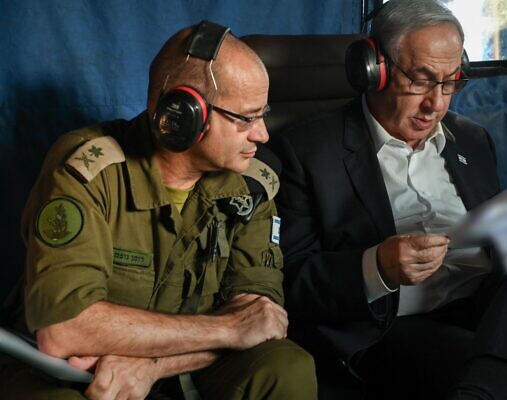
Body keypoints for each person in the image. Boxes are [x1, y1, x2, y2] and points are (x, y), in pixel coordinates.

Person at [267, 0, 507, 399]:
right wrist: (378, 267)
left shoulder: (473, 139)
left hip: (490, 304)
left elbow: (495, 236)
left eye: (450, 82)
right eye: (421, 80)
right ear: (375, 70)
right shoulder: (306, 150)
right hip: (393, 326)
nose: (436, 104)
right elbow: (290, 281)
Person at [0, 20, 317, 400]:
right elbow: (64, 329)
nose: (262, 134)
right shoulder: (88, 169)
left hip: (184, 365)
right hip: (62, 372)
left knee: (286, 367)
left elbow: (259, 319)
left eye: (263, 114)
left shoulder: (252, 186)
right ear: (183, 114)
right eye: (246, 118)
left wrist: (153, 365)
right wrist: (227, 329)